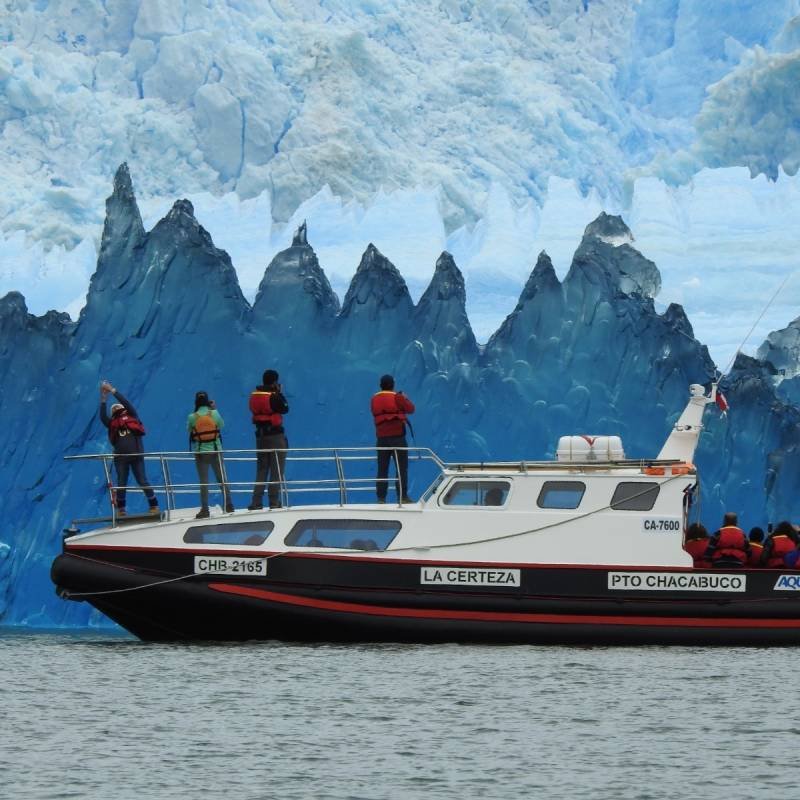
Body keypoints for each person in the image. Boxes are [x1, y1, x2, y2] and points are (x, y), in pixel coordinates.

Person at [99, 380, 159, 517]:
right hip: (122, 458)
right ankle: (122, 510)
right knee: (122, 483)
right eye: (113, 408)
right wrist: (103, 399)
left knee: (142, 480)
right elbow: (102, 417)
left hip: (134, 455)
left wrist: (112, 390)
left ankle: (154, 505)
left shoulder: (132, 416)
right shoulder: (112, 423)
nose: (114, 408)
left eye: (116, 407)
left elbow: (127, 403)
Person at [187, 391, 234, 519]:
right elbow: (221, 425)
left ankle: (205, 509)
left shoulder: (192, 417)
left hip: (201, 452)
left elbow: (189, 430)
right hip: (215, 450)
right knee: (222, 479)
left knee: (204, 482)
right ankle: (229, 504)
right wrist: (214, 408)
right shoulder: (214, 413)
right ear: (208, 401)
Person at [371, 374, 415, 504]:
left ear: (380, 385)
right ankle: (402, 496)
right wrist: (405, 398)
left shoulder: (374, 398)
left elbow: (373, 411)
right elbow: (411, 409)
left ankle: (381, 498)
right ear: (393, 385)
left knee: (382, 469)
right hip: (398, 438)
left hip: (382, 439)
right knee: (401, 468)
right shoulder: (397, 397)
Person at [248, 369, 289, 510]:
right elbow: (285, 408)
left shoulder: (254, 396)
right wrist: (279, 392)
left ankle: (256, 501)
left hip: (260, 437)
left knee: (262, 469)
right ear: (274, 382)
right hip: (275, 436)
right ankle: (273, 501)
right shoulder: (274, 396)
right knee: (276, 469)